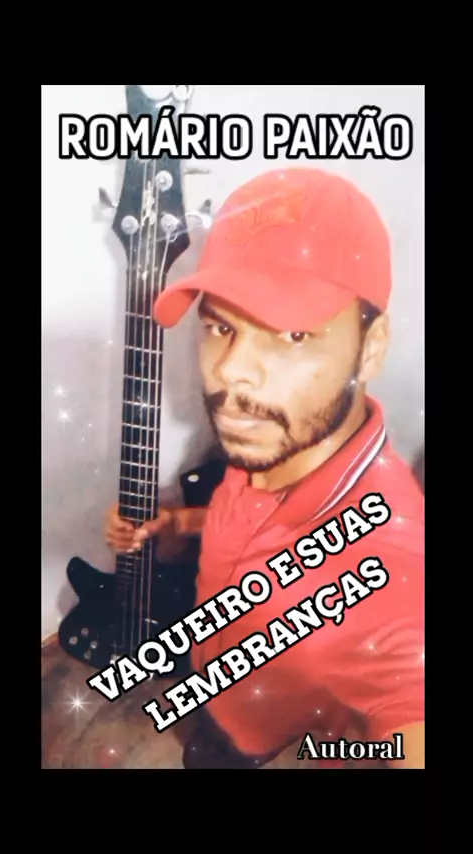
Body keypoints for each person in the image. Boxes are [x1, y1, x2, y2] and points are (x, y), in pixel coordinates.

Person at [105, 167, 425, 769]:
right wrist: (177, 524)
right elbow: (244, 521)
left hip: (263, 740)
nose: (230, 371)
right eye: (220, 327)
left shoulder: (391, 560)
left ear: (372, 347)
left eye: (292, 334)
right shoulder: (271, 444)